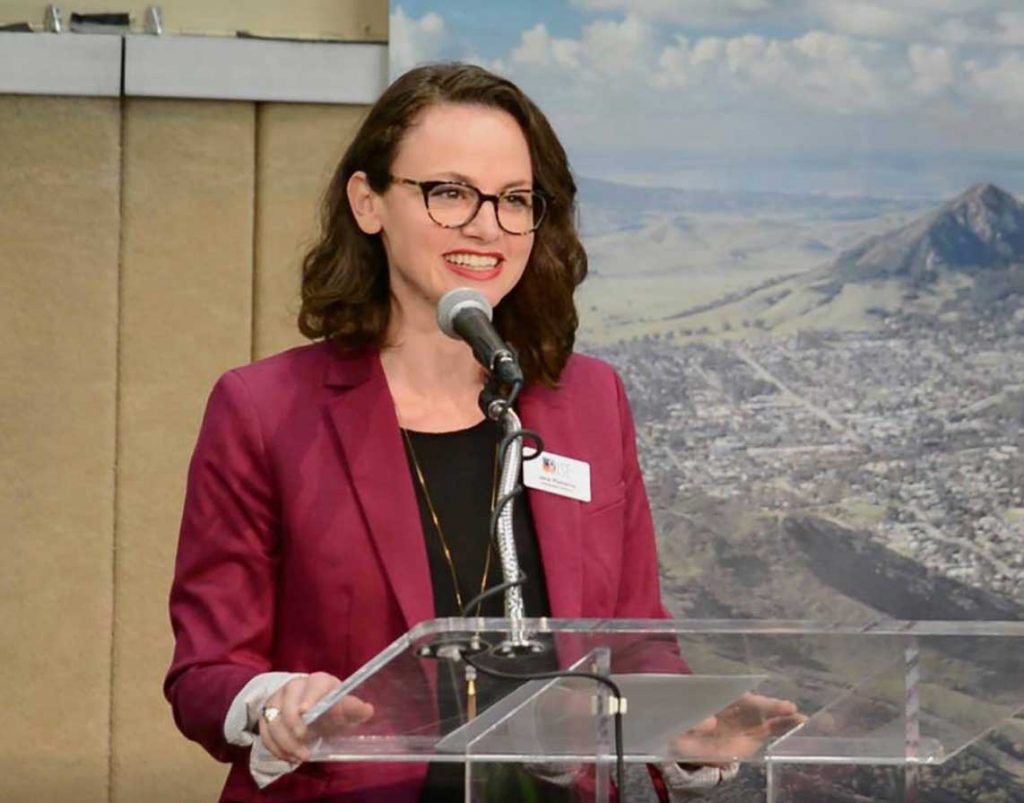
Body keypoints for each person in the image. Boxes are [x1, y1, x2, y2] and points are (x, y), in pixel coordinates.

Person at [165, 63, 798, 803]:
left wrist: (686, 726)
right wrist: (278, 703)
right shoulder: (264, 409)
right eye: (450, 192)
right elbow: (204, 672)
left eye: (514, 199)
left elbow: (633, 641)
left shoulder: (590, 400)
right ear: (368, 202)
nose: (486, 224)